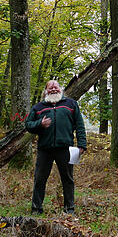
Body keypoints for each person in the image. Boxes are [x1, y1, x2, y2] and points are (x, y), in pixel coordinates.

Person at [25, 80, 87, 215]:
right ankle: (36, 209)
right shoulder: (38, 107)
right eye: (50, 87)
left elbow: (80, 126)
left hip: (65, 149)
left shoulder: (71, 104)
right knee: (40, 179)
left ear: (61, 89)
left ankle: (69, 209)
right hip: (44, 149)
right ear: (45, 91)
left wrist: (82, 144)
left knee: (67, 179)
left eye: (56, 87)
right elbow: (28, 124)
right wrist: (39, 124)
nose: (53, 89)